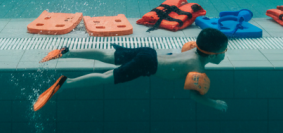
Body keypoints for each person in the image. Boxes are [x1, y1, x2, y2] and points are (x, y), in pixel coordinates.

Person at [33, 28, 228, 112]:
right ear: (212, 55)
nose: (224, 54)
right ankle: (66, 84)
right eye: (223, 51)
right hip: (147, 65)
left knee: (107, 55)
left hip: (148, 53)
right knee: (105, 77)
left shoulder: (191, 49)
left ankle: (65, 52)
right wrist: (215, 103)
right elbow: (195, 96)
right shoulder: (197, 69)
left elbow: (174, 54)